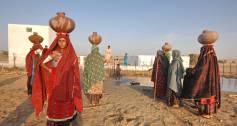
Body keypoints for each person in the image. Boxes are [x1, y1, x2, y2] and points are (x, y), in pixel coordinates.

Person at [32, 12, 83, 126]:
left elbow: (75, 71)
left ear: (67, 41)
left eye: (63, 40)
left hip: (67, 85)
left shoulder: (71, 55)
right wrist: (50, 69)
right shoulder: (54, 53)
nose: (61, 43)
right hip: (54, 84)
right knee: (54, 106)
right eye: (59, 40)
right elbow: (41, 64)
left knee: (67, 110)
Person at [182, 30, 220, 118]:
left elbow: (202, 66)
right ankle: (209, 112)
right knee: (210, 94)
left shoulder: (205, 50)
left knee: (204, 93)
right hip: (211, 76)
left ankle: (206, 113)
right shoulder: (212, 50)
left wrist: (193, 71)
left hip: (205, 76)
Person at [83, 32, 105, 106]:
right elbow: (101, 67)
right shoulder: (100, 57)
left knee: (92, 90)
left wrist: (88, 75)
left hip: (91, 77)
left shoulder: (89, 56)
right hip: (98, 77)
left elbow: (86, 68)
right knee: (97, 90)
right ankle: (96, 102)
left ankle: (92, 102)